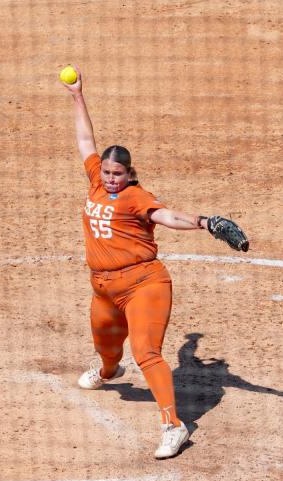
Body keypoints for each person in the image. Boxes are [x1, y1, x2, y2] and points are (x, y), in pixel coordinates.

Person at [60, 66, 221, 459]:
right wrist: (77, 95)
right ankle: (109, 371)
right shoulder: (96, 180)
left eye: (118, 174)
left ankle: (173, 426)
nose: (111, 179)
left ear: (130, 174)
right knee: (107, 349)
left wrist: (204, 222)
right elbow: (85, 139)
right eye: (108, 173)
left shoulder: (136, 197)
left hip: (143, 284)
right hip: (102, 287)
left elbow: (167, 217)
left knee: (146, 352)